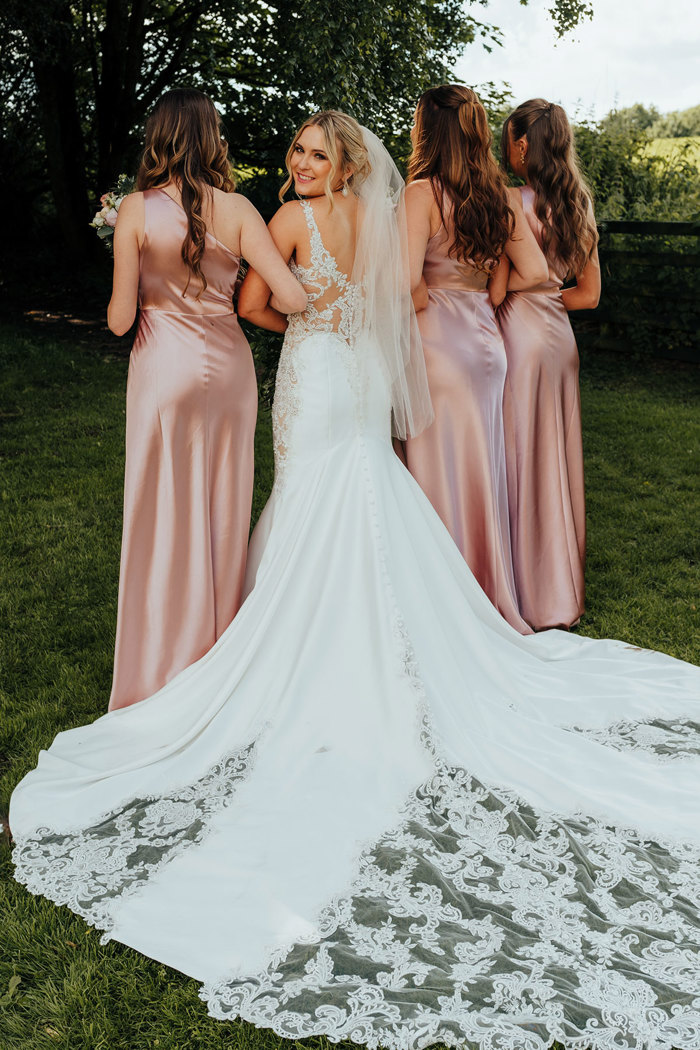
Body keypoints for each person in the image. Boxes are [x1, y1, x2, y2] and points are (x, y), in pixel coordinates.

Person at [10, 113, 700, 1050]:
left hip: (315, 372)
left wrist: (298, 313)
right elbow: (398, 297)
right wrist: (340, 314)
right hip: (362, 373)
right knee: (364, 487)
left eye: (311, 154)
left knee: (308, 493)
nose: (299, 165)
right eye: (296, 153)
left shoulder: (289, 221)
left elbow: (265, 306)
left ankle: (303, 645)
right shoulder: (375, 218)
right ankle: (389, 630)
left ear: (336, 164)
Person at [106, 87, 306, 710]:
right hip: (229, 371)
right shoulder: (241, 208)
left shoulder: (134, 210)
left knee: (161, 505)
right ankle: (219, 652)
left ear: (159, 138)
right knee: (224, 504)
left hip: (164, 368)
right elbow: (293, 300)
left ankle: (162, 654)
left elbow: (118, 321)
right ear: (212, 139)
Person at [402, 85, 548, 633]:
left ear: (427, 131)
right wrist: (487, 289)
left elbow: (406, 282)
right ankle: (485, 592)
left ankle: (442, 602)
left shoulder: (421, 193)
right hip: (486, 345)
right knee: (478, 466)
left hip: (437, 340)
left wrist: (431, 305)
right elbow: (533, 272)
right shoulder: (498, 193)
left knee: (435, 470)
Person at [496, 98, 601, 630]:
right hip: (561, 343)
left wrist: (521, 293)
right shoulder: (578, 202)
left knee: (518, 454)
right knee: (554, 456)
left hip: (521, 334)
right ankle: (559, 584)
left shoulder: (512, 200)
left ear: (520, 146)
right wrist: (550, 296)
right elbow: (589, 296)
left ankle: (522, 585)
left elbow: (500, 281)